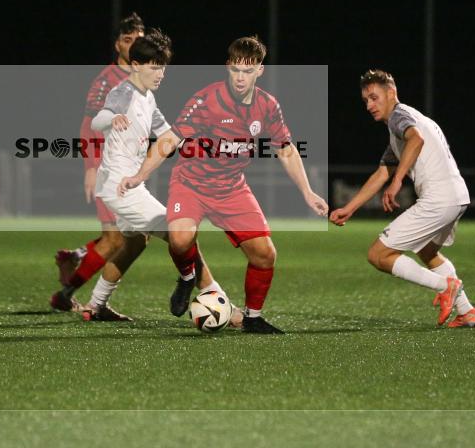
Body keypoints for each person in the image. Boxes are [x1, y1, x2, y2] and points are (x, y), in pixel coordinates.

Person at [120, 36, 328, 334]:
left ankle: (253, 318)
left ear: (260, 71)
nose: (240, 78)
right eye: (235, 70)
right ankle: (188, 277)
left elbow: (286, 148)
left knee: (265, 254)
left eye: (247, 71)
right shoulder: (207, 100)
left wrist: (307, 192)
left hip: (231, 188)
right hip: (191, 183)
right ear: (227, 68)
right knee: (179, 240)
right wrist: (140, 175)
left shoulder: (268, 106)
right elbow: (170, 139)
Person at [84, 29, 226, 320]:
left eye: (163, 66)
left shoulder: (147, 97)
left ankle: (95, 307)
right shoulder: (123, 92)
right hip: (121, 186)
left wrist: (204, 146)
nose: (160, 73)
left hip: (128, 185)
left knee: (136, 242)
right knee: (182, 236)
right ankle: (225, 305)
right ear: (136, 65)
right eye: (154, 66)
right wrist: (113, 117)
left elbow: (169, 135)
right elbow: (98, 120)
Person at [330, 69, 475, 328]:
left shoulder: (400, 117)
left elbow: (416, 140)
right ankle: (467, 311)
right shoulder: (405, 123)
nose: (369, 105)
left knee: (378, 254)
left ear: (391, 93)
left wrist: (398, 180)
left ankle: (446, 286)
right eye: (366, 100)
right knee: (427, 250)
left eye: (374, 98)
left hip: (439, 198)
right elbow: (382, 172)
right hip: (457, 197)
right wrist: (350, 208)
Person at [49, 13, 143, 319]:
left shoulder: (141, 78)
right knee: (122, 239)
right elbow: (88, 126)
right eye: (127, 40)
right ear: (117, 44)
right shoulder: (107, 81)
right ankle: (69, 297)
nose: (132, 46)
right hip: (108, 169)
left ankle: (74, 258)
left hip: (129, 169)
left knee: (130, 237)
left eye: (138, 40)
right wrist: (91, 167)